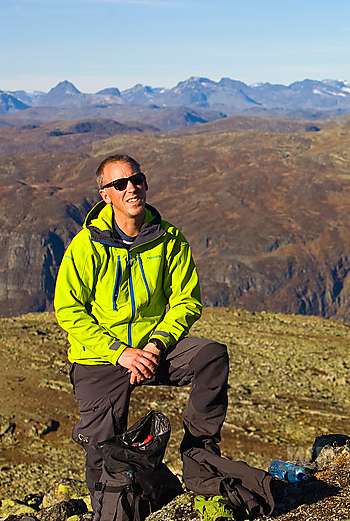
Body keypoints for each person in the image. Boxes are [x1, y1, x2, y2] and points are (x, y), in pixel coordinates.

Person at [55, 155, 229, 514]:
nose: (131, 188)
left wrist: (155, 344)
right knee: (103, 450)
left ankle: (200, 468)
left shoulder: (169, 239)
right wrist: (120, 352)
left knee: (211, 356)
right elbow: (69, 310)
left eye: (136, 179)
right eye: (120, 184)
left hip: (153, 348)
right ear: (106, 196)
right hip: (101, 358)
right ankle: (108, 511)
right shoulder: (86, 247)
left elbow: (186, 301)